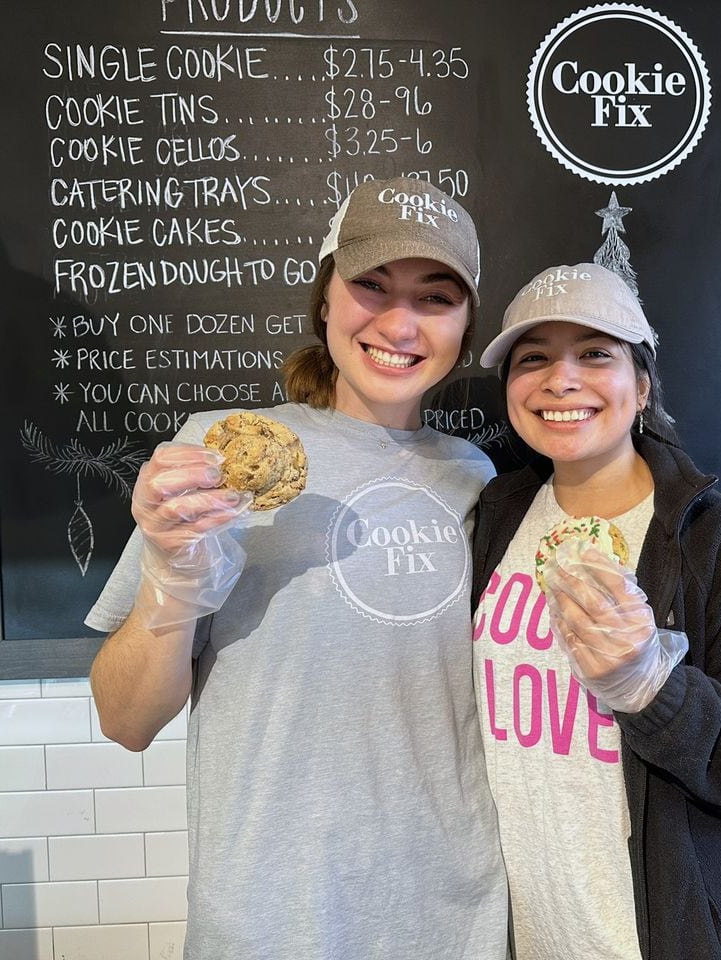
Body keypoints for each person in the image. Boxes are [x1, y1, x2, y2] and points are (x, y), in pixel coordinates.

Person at [86, 177, 508, 959]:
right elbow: (125, 721)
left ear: (465, 324)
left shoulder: (481, 479)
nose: (399, 323)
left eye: (435, 297)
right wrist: (172, 583)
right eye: (370, 286)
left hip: (454, 914)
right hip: (269, 916)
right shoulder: (214, 458)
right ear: (325, 301)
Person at [470, 263, 721, 960]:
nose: (561, 379)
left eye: (596, 353)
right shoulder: (494, 515)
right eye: (533, 357)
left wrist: (653, 688)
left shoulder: (719, 541)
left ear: (641, 385)